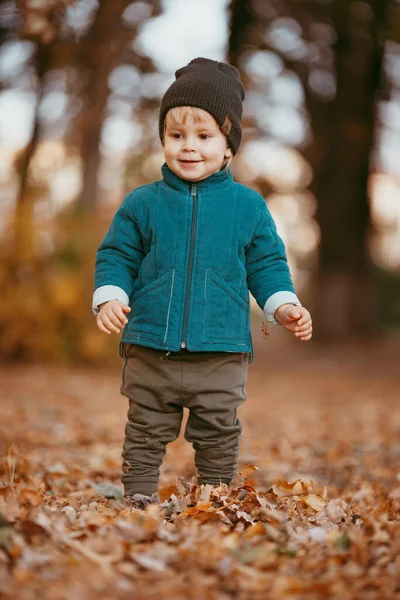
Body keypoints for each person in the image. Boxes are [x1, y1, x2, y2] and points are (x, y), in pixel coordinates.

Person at [92, 58, 312, 509]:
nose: (188, 147)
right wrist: (110, 295)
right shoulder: (143, 203)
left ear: (228, 147)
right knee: (146, 425)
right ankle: (138, 498)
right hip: (152, 342)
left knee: (218, 427)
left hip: (221, 346)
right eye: (176, 136)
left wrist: (283, 305)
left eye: (204, 136)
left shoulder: (247, 207)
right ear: (163, 141)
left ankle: (214, 498)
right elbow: (117, 254)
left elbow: (266, 263)